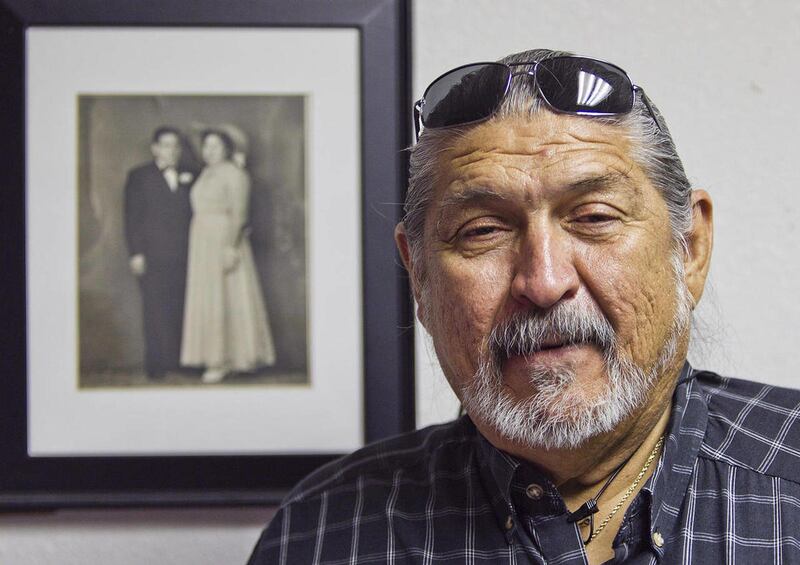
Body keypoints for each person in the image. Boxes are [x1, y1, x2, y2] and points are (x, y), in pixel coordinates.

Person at [248, 49, 800, 564]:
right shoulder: (321, 533)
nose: (544, 281)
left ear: (690, 249)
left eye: (595, 217)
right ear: (418, 276)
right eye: (483, 230)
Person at [180, 127, 276, 384]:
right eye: (206, 146)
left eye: (215, 146)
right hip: (201, 240)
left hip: (223, 239)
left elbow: (239, 213)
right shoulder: (205, 174)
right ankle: (215, 357)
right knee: (209, 298)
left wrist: (230, 247)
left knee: (227, 297)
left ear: (227, 149)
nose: (209, 151)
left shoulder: (235, 174)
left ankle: (227, 360)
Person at [124, 126, 194, 380]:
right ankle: (155, 365)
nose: (172, 151)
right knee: (154, 310)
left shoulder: (191, 175)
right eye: (166, 145)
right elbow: (132, 218)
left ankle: (183, 362)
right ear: (154, 148)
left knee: (183, 308)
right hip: (152, 256)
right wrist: (136, 254)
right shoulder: (139, 176)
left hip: (186, 255)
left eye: (176, 146)